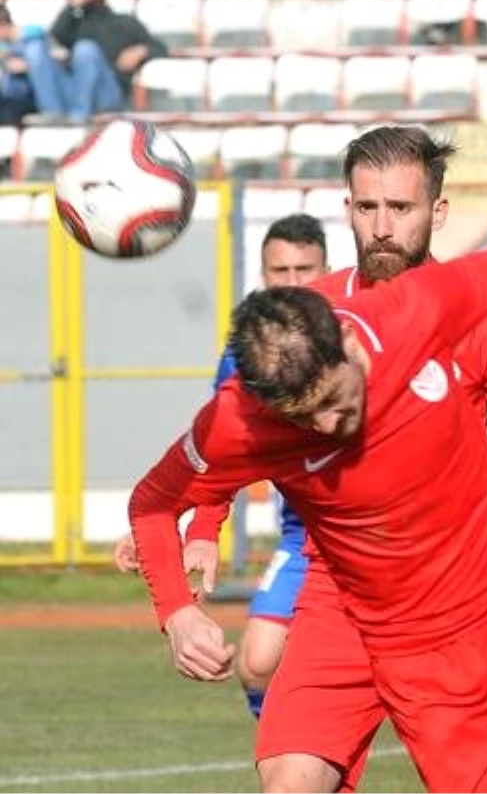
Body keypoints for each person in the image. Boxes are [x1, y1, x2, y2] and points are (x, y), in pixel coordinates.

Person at [128, 166, 487, 791]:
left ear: (347, 346)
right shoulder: (236, 422)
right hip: (410, 637)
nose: (328, 424)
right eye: (306, 416)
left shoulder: (413, 312)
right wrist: (179, 613)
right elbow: (153, 504)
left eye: (336, 400)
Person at [114, 213, 331, 721]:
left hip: (381, 532)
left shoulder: (353, 334)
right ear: (263, 276)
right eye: (281, 271)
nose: (295, 283)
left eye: (306, 269)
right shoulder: (244, 357)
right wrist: (195, 525)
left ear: (329, 269)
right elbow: (226, 454)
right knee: (256, 663)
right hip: (304, 535)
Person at [28, 0, 167, 121]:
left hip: (108, 93)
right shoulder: (75, 24)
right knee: (35, 48)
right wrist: (73, 5)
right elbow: (56, 35)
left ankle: (79, 117)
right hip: (76, 89)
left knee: (86, 50)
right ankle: (53, 114)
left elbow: (161, 49)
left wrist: (142, 50)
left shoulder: (125, 22)